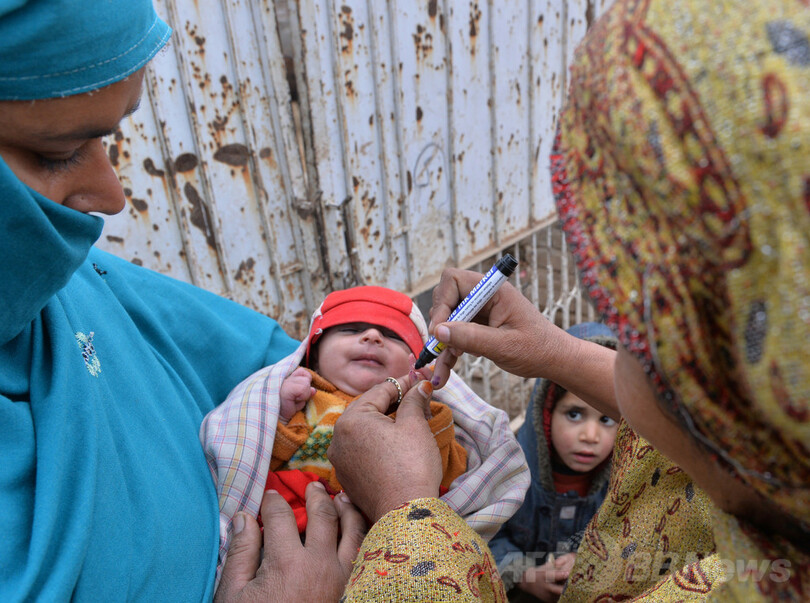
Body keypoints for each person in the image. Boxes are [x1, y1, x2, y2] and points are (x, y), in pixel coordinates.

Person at [0, 1, 373, 600]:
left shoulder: (77, 285)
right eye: (57, 152)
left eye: (108, 138)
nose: (111, 194)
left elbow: (277, 362)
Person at [202, 285, 530, 582]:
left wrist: (428, 415)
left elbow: (451, 472)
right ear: (313, 352)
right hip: (294, 527)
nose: (372, 336)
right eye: (351, 329)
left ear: (417, 364)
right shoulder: (307, 396)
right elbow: (257, 455)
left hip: (387, 535)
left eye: (394, 336)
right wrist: (283, 414)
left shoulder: (415, 411)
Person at [488, 323, 619, 602]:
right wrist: (522, 574)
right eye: (574, 414)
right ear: (545, 413)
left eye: (607, 419)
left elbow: (633, 538)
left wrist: (593, 557)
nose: (590, 436)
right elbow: (484, 536)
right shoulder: (507, 471)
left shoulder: (627, 481)